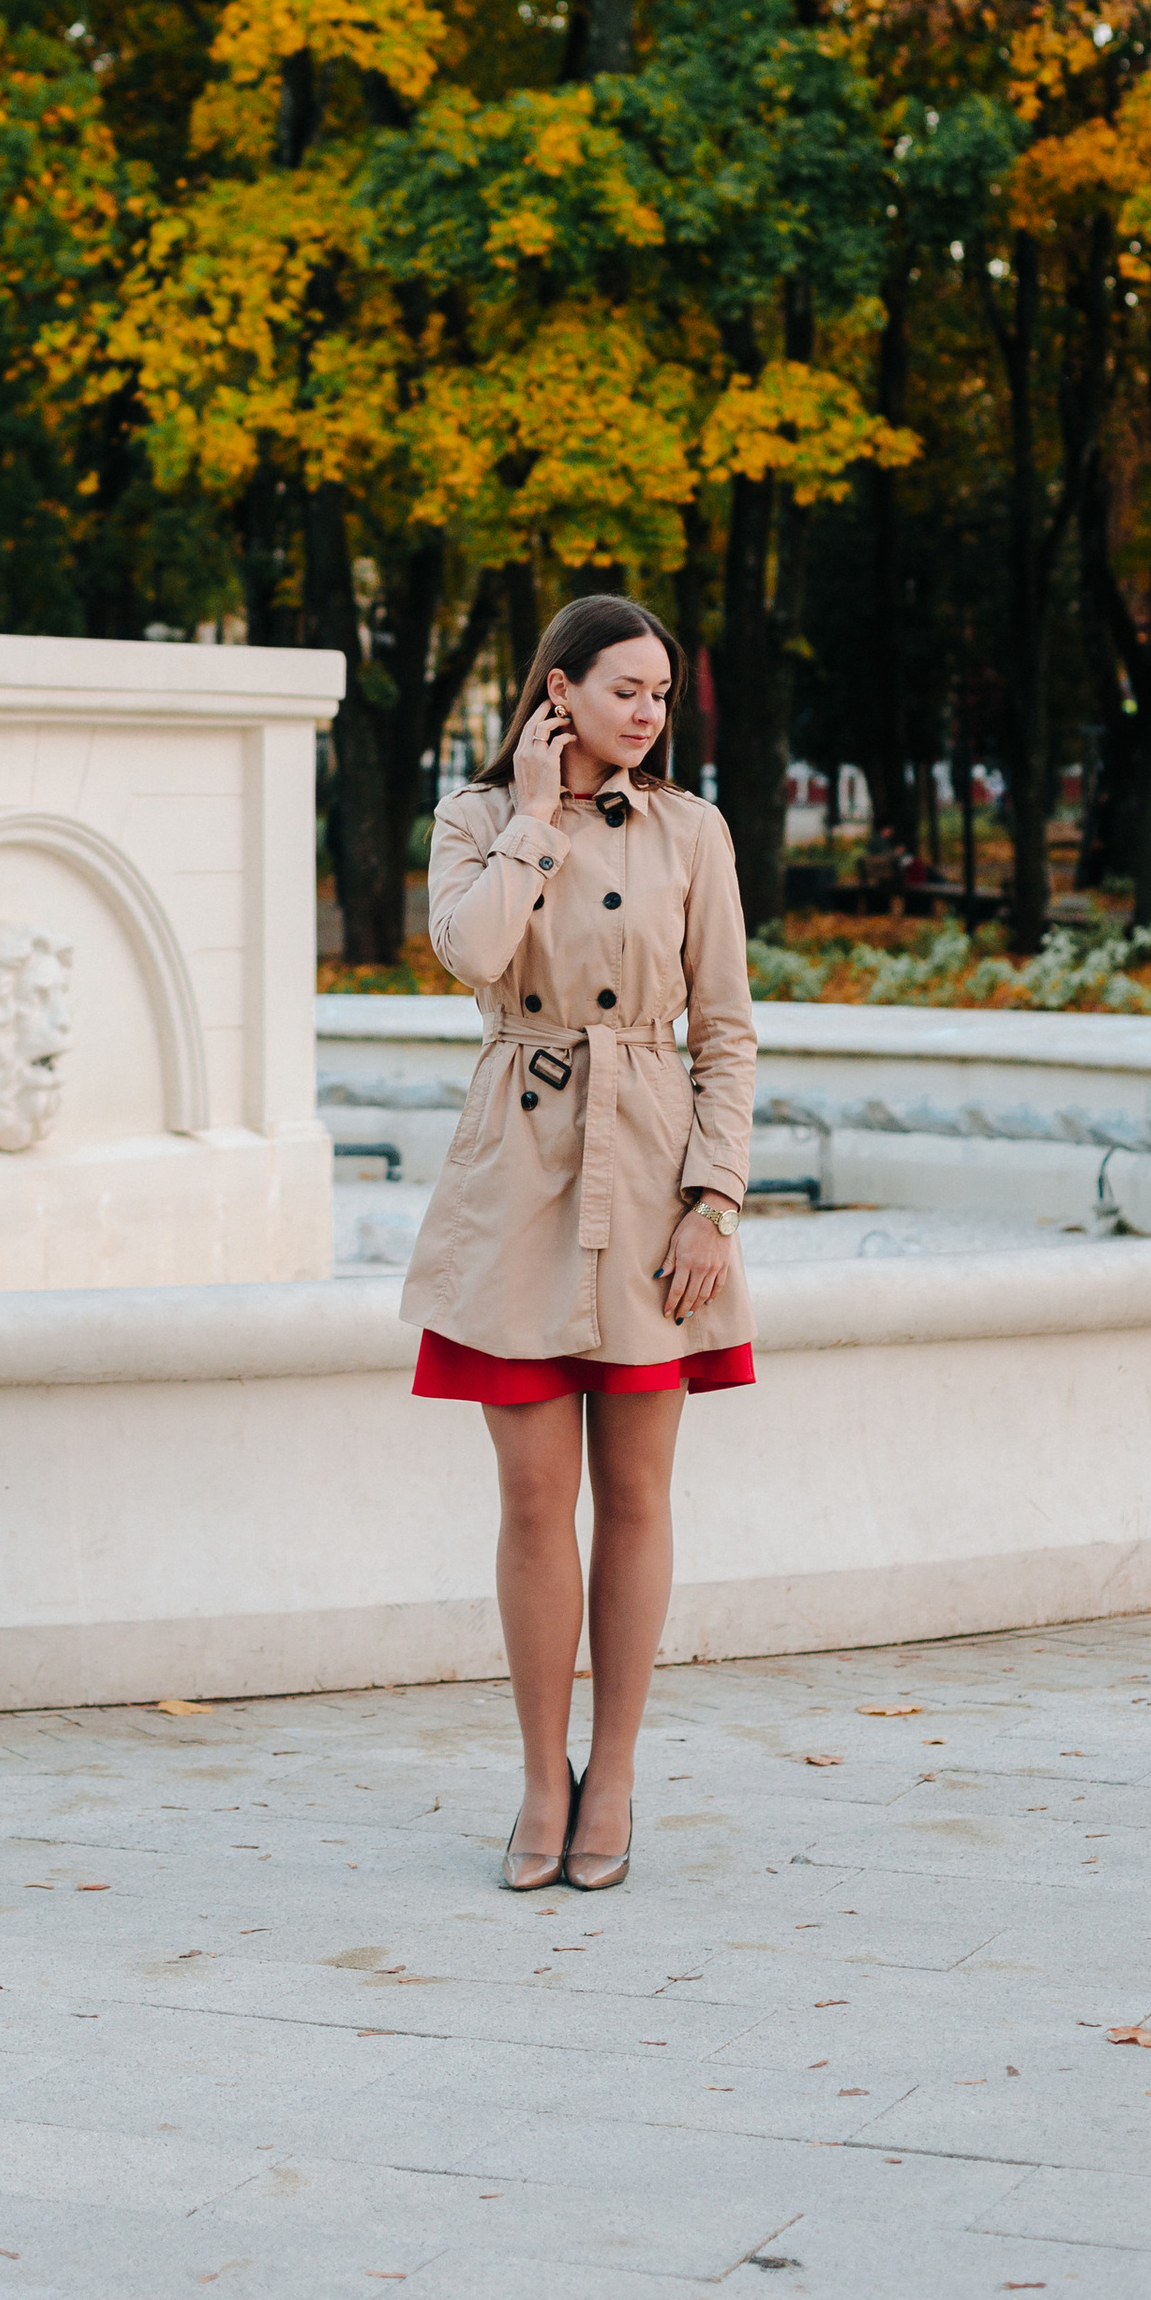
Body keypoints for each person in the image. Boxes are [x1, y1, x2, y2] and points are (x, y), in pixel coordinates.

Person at [401, 594, 756, 1896]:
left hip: (656, 1167)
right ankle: (540, 1778)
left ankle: (614, 1774)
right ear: (559, 692)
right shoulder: (478, 819)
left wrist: (714, 1202)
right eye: (626, 688)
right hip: (523, 1171)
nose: (649, 711)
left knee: (641, 1493)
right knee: (536, 1497)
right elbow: (469, 951)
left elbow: (727, 1031)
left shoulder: (694, 833)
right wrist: (540, 820)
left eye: (661, 691)